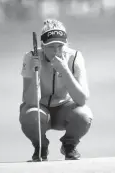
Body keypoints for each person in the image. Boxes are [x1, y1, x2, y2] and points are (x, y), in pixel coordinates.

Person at [19, 19, 93, 161]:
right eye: (52, 47)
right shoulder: (31, 57)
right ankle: (41, 147)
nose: (57, 51)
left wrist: (64, 70)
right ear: (42, 45)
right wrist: (36, 73)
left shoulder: (75, 57)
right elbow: (29, 101)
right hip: (41, 110)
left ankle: (69, 146)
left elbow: (82, 99)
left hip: (64, 110)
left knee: (83, 115)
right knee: (30, 115)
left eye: (60, 46)